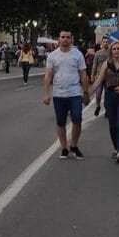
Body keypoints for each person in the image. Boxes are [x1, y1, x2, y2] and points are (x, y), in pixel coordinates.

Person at [43, 31, 89, 160]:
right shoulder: (52, 56)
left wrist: (85, 93)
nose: (65, 39)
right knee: (60, 122)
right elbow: (48, 75)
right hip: (59, 93)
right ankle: (64, 148)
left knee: (77, 119)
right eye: (63, 37)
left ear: (72, 39)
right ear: (59, 39)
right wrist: (46, 93)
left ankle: (74, 145)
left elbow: (83, 74)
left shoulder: (77, 54)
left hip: (74, 92)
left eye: (68, 37)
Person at [88, 39, 119, 163]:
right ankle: (116, 147)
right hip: (110, 96)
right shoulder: (106, 64)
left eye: (118, 49)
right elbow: (99, 81)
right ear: (111, 51)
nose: (116, 51)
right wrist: (87, 95)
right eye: (114, 49)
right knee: (112, 125)